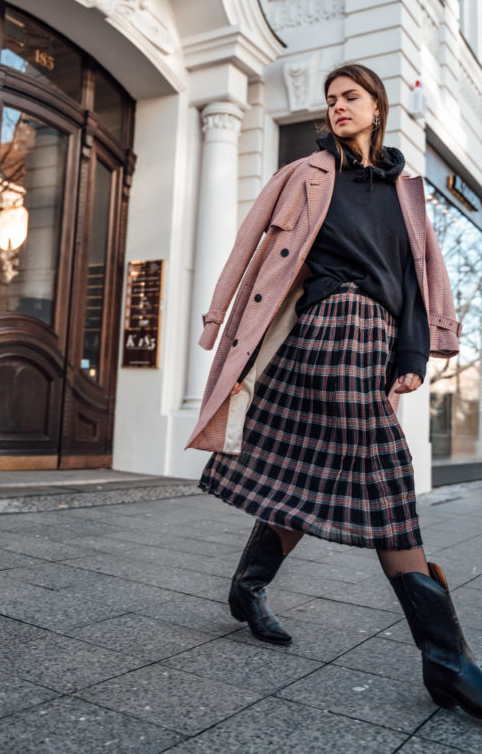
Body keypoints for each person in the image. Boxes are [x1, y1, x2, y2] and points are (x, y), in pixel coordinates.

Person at [186, 63, 482, 720]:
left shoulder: (405, 191)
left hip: (376, 342)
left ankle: (248, 585)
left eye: (350, 97)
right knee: (386, 475)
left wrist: (412, 354)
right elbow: (246, 246)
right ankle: (446, 662)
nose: (338, 107)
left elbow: (415, 277)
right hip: (323, 330)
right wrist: (217, 321)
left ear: (378, 106)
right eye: (331, 100)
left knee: (310, 470)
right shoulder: (305, 174)